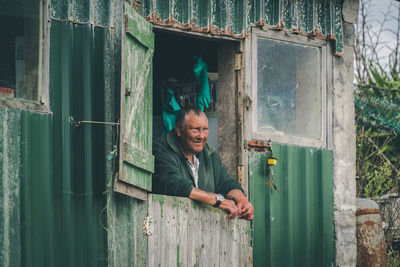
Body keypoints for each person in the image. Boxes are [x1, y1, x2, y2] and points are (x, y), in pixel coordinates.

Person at [152, 107, 254, 220]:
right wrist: (216, 200)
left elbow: (225, 181)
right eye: (195, 130)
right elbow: (174, 184)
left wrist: (241, 199)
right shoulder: (161, 148)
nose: (201, 136)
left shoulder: (208, 153)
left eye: (205, 129)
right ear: (179, 130)